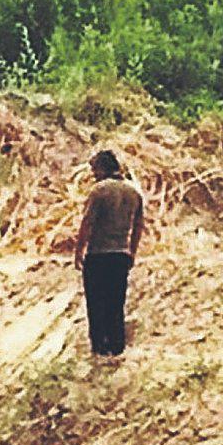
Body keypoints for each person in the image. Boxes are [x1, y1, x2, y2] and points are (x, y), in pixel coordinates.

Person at [73, 150, 145, 357]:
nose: (93, 173)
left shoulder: (99, 191)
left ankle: (99, 350)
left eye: (94, 169)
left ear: (103, 168)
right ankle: (117, 348)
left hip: (98, 254)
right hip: (121, 254)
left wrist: (79, 251)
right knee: (116, 303)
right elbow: (139, 224)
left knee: (96, 304)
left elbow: (87, 223)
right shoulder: (134, 192)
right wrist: (132, 250)